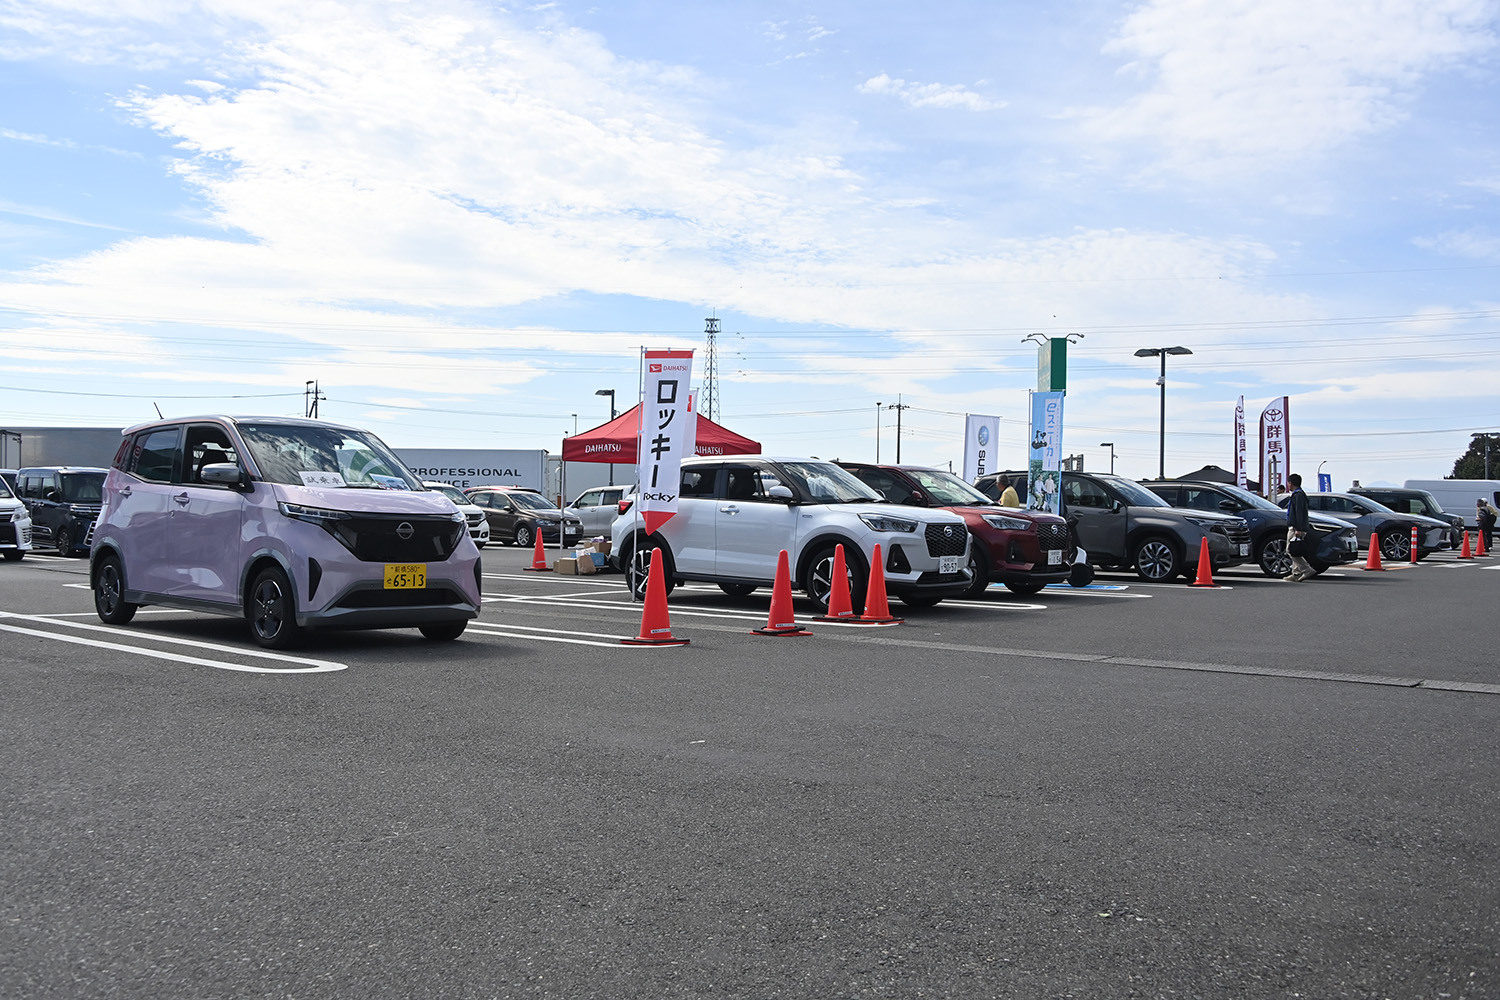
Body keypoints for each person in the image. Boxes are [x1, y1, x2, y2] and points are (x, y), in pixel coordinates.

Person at [1284, 472, 1314, 582]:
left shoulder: (1298, 496)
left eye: (1288, 483)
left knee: (1290, 550)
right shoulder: (1299, 494)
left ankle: (1306, 569)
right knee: (1295, 550)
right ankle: (1296, 573)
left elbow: (1299, 513)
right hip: (1297, 527)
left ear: (1290, 483)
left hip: (1296, 527)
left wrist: (1299, 528)